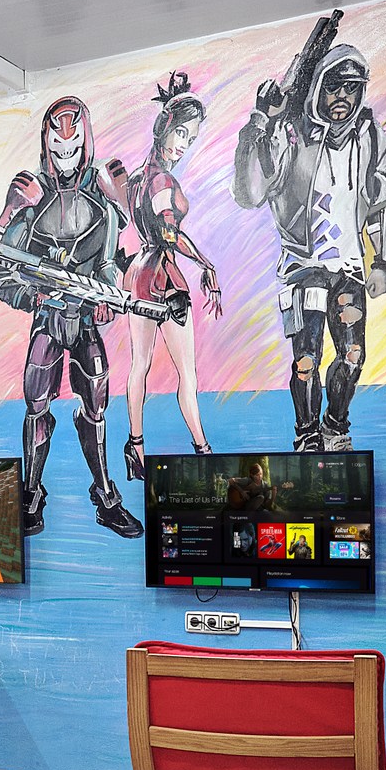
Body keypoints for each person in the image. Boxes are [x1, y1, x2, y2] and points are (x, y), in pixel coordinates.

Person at [0, 96, 174, 537]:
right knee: (36, 405)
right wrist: (32, 296)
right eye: (58, 146)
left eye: (73, 145)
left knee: (96, 403)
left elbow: (107, 263)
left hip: (84, 316)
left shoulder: (105, 190)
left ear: (85, 141)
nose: (66, 155)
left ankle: (104, 495)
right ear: (47, 145)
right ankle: (31, 493)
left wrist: (106, 299)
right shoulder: (30, 194)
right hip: (48, 316)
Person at [231, 22, 386, 451]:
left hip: (349, 269)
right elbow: (250, 193)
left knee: (353, 356)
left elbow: (385, 200)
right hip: (301, 268)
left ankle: (335, 427)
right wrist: (260, 124)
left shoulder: (372, 137)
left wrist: (383, 263)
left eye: (352, 88)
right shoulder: (290, 135)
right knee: (305, 361)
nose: (342, 96)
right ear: (317, 87)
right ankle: (306, 436)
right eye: (333, 86)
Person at [114, 71, 222, 477]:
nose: (182, 145)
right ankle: (202, 449)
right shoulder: (162, 180)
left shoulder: (137, 179)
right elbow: (168, 233)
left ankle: (136, 446)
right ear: (164, 127)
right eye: (180, 133)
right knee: (186, 374)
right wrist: (206, 263)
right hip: (166, 280)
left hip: (138, 277)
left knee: (138, 365)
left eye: (189, 139)